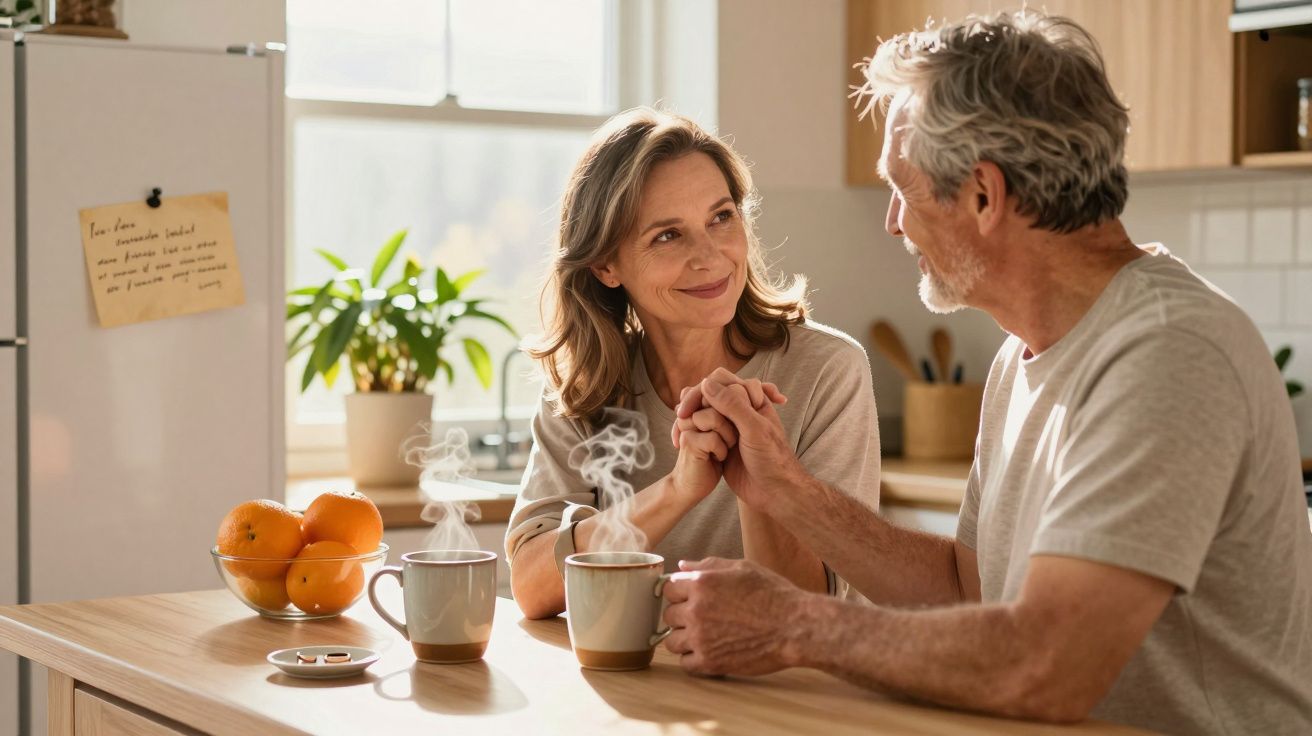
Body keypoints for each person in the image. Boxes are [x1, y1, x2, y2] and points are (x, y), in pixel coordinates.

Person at [659, 11, 1312, 734]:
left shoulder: (1168, 353)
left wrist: (793, 626)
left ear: (982, 195)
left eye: (901, 189)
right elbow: (968, 588)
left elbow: (1049, 663)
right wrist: (788, 490)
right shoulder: (1023, 351)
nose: (893, 222)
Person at [505, 108, 880, 619]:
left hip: (777, 693)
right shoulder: (587, 389)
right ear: (606, 266)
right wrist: (678, 490)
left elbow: (812, 610)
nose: (711, 256)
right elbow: (531, 586)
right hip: (629, 684)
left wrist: (760, 480)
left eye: (721, 217)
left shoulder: (827, 373)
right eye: (667, 235)